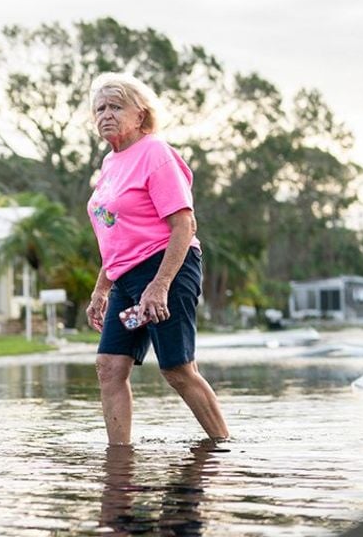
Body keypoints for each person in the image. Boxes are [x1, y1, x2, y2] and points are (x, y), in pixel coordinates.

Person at [85, 72, 229, 446]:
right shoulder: (110, 164)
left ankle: (224, 447)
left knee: (178, 369)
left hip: (166, 267)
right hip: (126, 276)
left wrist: (159, 285)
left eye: (116, 106)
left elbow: (184, 223)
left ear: (141, 115)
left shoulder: (155, 153)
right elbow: (116, 234)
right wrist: (101, 289)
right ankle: (119, 458)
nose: (106, 115)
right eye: (100, 108)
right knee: (109, 368)